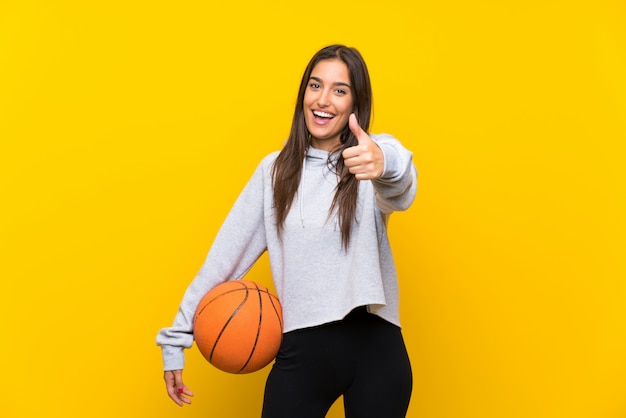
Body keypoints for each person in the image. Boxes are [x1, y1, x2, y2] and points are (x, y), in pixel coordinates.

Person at [156, 44, 418, 418]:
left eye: (339, 90)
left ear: (355, 103)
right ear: (303, 94)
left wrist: (383, 162)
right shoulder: (274, 172)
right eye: (315, 85)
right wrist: (175, 339)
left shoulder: (367, 160)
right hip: (304, 349)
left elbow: (401, 182)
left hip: (376, 346)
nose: (323, 100)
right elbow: (224, 260)